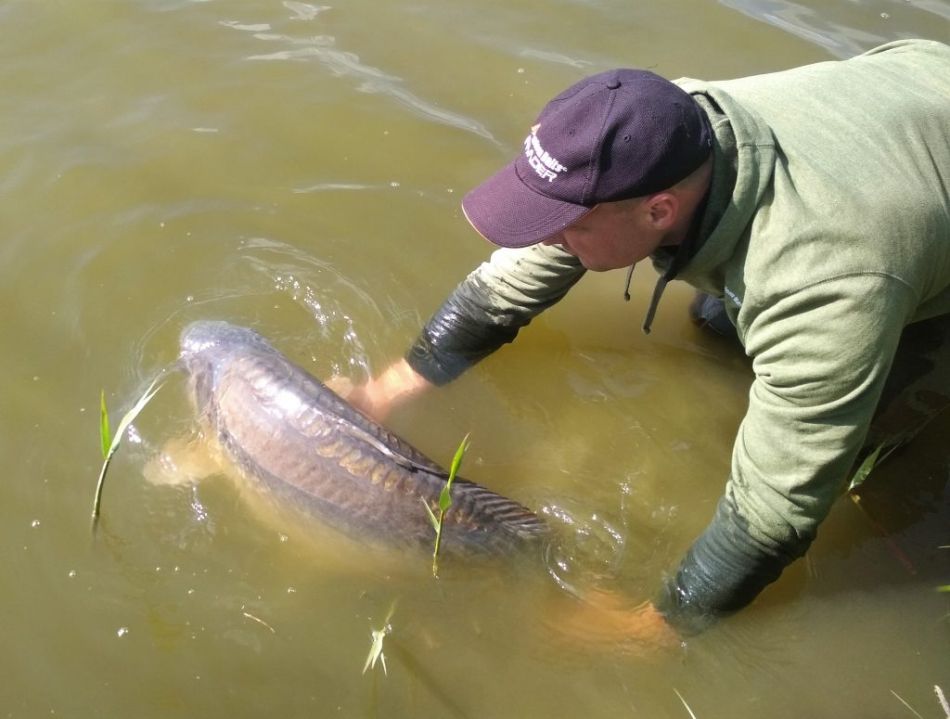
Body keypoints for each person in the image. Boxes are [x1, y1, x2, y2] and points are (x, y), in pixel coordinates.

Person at [340, 39, 950, 643]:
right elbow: (518, 274)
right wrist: (392, 387)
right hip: (913, 81)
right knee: (720, 324)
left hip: (880, 213)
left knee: (866, 439)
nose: (546, 240)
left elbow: (778, 510)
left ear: (659, 211)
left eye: (566, 227)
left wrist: (655, 627)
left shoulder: (822, 284)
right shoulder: (656, 128)